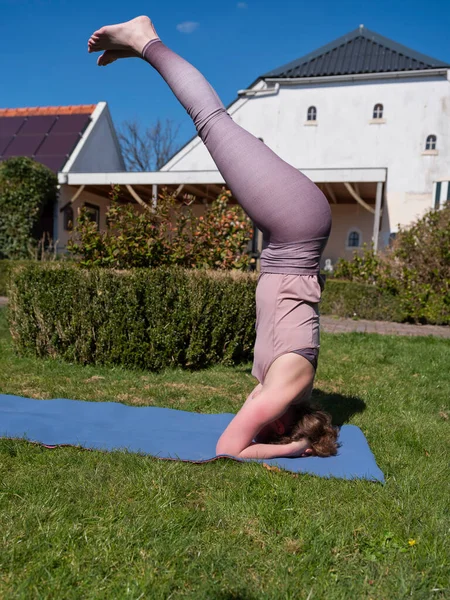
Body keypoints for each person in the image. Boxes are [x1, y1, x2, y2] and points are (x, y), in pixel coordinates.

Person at [88, 16, 338, 460]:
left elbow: (245, 423)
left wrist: (293, 436)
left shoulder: (279, 385)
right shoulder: (279, 393)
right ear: (281, 425)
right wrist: (294, 450)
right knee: (210, 118)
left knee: (212, 123)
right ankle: (145, 39)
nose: (247, 414)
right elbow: (229, 450)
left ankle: (139, 48)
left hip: (294, 230)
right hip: (297, 225)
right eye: (267, 431)